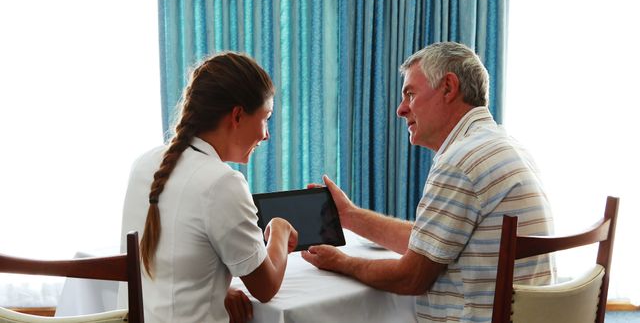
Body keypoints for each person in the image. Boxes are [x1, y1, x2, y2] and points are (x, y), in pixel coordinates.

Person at [301, 42, 555, 322]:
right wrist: (349, 216)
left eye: (410, 94)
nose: (400, 109)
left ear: (448, 87)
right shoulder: (501, 145)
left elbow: (411, 278)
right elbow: (428, 242)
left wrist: (341, 262)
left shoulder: (460, 160)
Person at [118, 52, 298, 323]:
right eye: (266, 118)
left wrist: (217, 290)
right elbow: (265, 287)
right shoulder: (223, 183)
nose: (266, 134)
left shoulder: (143, 164)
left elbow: (171, 262)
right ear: (237, 115)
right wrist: (280, 232)